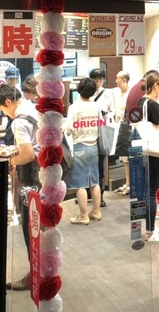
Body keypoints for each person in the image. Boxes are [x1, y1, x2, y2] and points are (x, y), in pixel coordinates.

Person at [0, 82, 40, 291]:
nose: (4, 113)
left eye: (2, 109)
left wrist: (8, 160)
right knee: (40, 226)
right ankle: (44, 271)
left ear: (8, 102)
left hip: (31, 178)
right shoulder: (33, 108)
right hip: (45, 175)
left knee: (31, 226)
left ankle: (35, 275)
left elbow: (27, 154)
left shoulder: (18, 122)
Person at [137, 71, 159, 244]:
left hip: (143, 150)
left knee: (146, 191)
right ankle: (150, 231)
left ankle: (149, 228)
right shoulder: (153, 104)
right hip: (155, 153)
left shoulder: (141, 102)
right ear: (155, 85)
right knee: (152, 192)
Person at [65, 77, 102, 225]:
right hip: (94, 146)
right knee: (94, 181)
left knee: (80, 184)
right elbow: (100, 124)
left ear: (79, 89)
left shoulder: (74, 107)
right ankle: (96, 212)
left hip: (79, 147)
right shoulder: (96, 106)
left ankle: (83, 216)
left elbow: (69, 129)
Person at [89, 68, 113, 207]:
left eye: (100, 80)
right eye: (95, 80)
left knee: (100, 166)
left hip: (102, 132)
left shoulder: (107, 93)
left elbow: (112, 112)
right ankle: (88, 193)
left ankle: (101, 195)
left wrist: (105, 115)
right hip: (89, 132)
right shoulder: (87, 92)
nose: (98, 83)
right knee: (88, 165)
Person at [112, 71, 131, 195]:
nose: (116, 81)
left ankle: (130, 183)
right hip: (120, 127)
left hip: (128, 127)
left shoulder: (131, 93)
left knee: (129, 157)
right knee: (124, 158)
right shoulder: (116, 93)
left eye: (118, 79)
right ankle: (127, 183)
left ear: (124, 80)